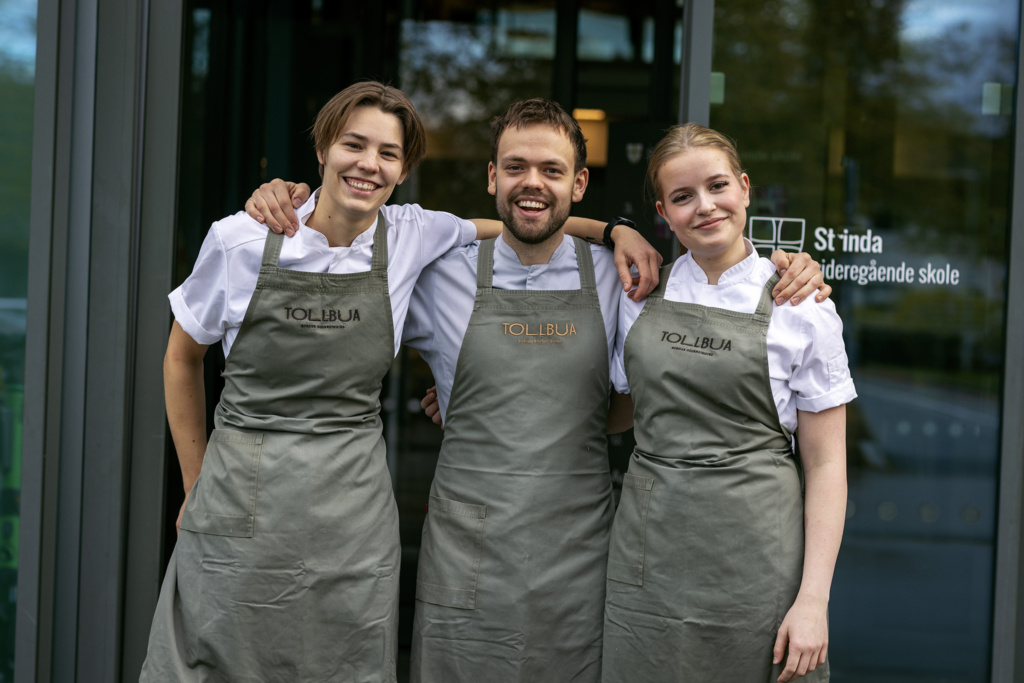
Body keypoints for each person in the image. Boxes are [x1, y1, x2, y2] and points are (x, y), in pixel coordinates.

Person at [247, 102, 830, 682]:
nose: (533, 183)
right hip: (465, 552)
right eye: (516, 167)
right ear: (492, 177)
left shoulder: (625, 280)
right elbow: (341, 285)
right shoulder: (434, 270)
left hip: (580, 553)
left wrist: (617, 231)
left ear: (579, 184)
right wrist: (292, 202)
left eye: (552, 170)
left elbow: (639, 404)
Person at [140, 81, 503, 682]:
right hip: (237, 506)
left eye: (388, 153)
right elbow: (182, 358)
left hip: (351, 521)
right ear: (322, 150)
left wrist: (615, 231)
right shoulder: (239, 239)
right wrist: (195, 483)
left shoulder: (411, 234)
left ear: (404, 170)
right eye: (353, 145)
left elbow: (521, 224)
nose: (369, 164)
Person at [601, 123, 855, 683]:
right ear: (664, 215)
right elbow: (616, 411)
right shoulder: (639, 297)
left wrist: (814, 601)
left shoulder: (801, 304)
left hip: (758, 564)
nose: (705, 206)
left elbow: (827, 465)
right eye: (683, 197)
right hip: (648, 559)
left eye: (717, 186)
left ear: (743, 188)